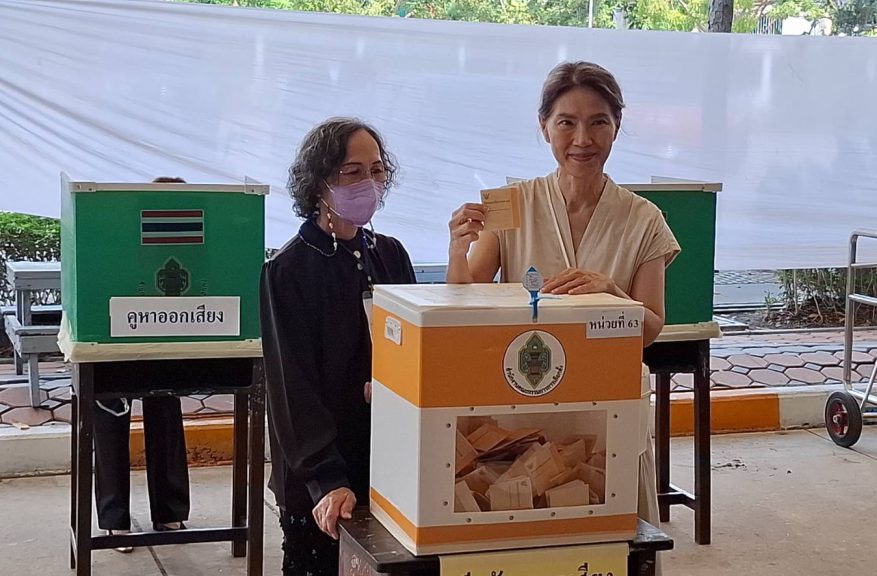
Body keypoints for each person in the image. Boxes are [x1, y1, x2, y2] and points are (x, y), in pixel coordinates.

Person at [446, 61, 679, 538]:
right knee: (526, 532)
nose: (582, 140)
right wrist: (456, 248)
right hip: (520, 403)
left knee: (610, 538)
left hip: (610, 402)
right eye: (566, 122)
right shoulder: (512, 203)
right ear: (544, 127)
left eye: (599, 122)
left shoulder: (644, 219)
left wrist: (614, 295)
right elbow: (464, 303)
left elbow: (651, 329)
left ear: (617, 127)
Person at [260, 117, 417, 576]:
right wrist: (326, 478)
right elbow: (292, 389)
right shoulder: (288, 270)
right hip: (323, 474)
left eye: (376, 170)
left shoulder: (390, 254)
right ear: (319, 181)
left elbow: (415, 349)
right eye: (352, 172)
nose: (368, 183)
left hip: (386, 463)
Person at [93, 176, 191, 554]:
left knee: (165, 413)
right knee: (109, 419)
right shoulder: (122, 240)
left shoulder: (194, 247)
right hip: (118, 344)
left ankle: (169, 511)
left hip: (165, 345)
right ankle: (114, 520)